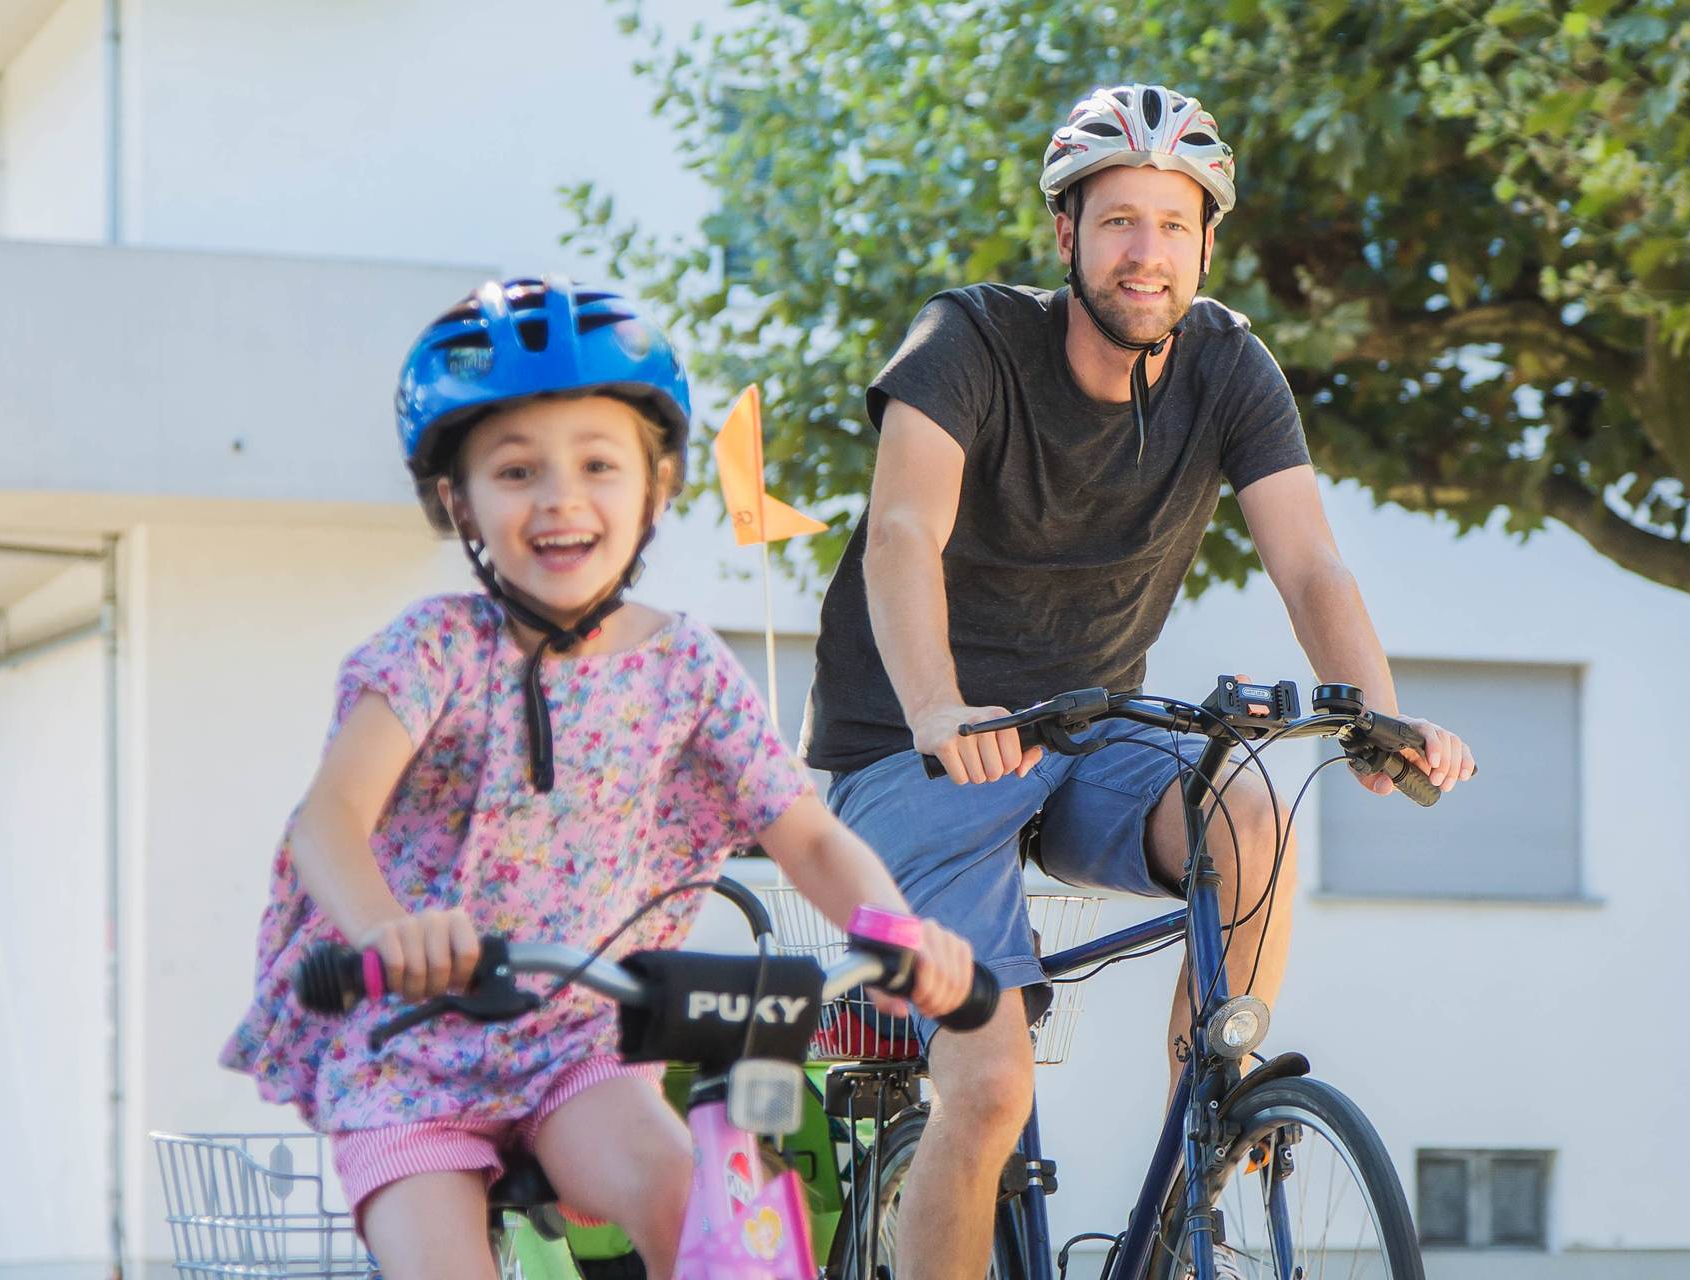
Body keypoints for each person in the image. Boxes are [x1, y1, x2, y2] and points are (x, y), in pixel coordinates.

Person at [801, 84, 1479, 1280]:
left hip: (1090, 732)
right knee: (992, 1086)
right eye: (1117, 221)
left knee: (1251, 804)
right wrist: (938, 709)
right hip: (910, 750)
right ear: (1067, 233)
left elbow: (1310, 557)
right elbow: (902, 531)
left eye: (1172, 224)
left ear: (1206, 241)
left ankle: (1208, 1110)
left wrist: (1373, 708)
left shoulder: (1228, 365)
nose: (1145, 253)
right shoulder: (966, 343)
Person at [219, 277, 976, 1280]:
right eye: (517, 469)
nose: (561, 497)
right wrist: (389, 930)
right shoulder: (433, 651)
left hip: (577, 1038)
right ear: (461, 501)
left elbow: (808, 834)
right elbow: (329, 820)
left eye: (599, 464)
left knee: (693, 1198)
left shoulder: (687, 667)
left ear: (657, 487)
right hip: (405, 1047)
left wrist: (894, 931)